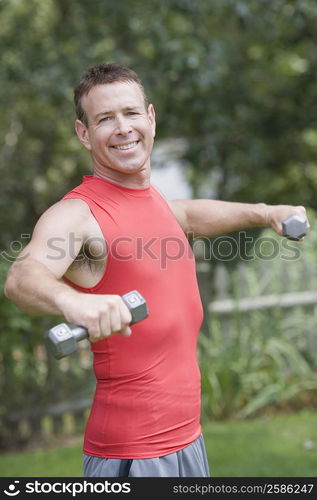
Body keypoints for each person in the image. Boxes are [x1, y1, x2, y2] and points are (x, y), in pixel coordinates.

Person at [4, 62, 308, 478]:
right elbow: (23, 275)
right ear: (83, 134)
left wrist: (265, 212)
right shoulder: (78, 214)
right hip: (135, 454)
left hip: (187, 440)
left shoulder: (153, 201)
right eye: (105, 119)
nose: (123, 128)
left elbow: (189, 214)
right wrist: (72, 302)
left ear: (150, 117)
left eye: (130, 113)